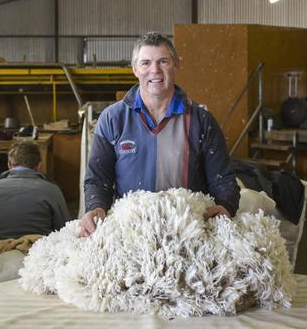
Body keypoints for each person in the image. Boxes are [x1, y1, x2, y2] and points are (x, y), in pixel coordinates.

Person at [81, 32, 240, 237]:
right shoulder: (113, 119)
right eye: (145, 63)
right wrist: (96, 206)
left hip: (187, 232)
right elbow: (97, 179)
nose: (154, 70)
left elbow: (223, 180)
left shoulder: (201, 121)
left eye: (163, 61)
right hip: (130, 232)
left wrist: (225, 204)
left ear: (176, 65)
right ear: (135, 69)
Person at [0, 141, 71, 246]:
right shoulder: (52, 191)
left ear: (9, 164)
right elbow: (65, 231)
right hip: (36, 256)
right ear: (39, 165)